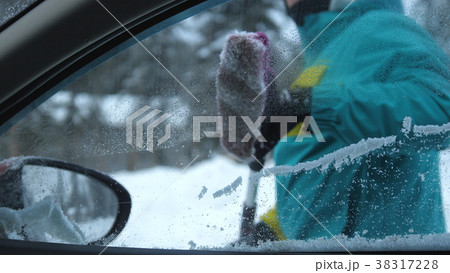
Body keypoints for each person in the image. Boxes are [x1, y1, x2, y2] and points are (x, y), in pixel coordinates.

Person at [216, 0, 450, 244]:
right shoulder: (318, 65)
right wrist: (270, 231)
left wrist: (313, 104)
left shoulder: (379, 25)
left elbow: (442, 105)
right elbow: (321, 179)